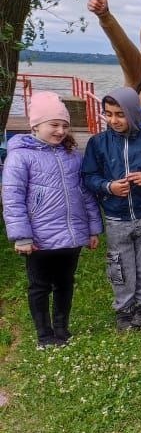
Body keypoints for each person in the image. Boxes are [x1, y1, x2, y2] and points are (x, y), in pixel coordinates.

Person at [3, 92, 102, 348]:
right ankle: (44, 335)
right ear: (35, 126)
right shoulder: (20, 156)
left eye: (65, 125)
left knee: (65, 284)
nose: (60, 131)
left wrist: (93, 229)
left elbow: (86, 194)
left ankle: (62, 330)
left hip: (70, 236)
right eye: (53, 125)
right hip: (38, 239)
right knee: (39, 286)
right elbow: (13, 198)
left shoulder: (73, 155)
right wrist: (21, 236)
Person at [81, 86, 141, 331]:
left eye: (120, 114)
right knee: (120, 264)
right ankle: (124, 308)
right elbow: (89, 176)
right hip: (116, 216)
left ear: (133, 113)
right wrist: (108, 186)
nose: (114, 120)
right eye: (109, 114)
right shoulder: (98, 143)